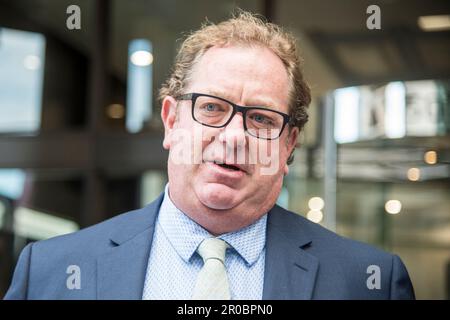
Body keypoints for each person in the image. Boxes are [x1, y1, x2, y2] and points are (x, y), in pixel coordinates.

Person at [5, 11, 414, 300]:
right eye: (213, 108)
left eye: (260, 118)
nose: (234, 136)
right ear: (171, 120)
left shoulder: (366, 283)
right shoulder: (50, 272)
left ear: (288, 145)